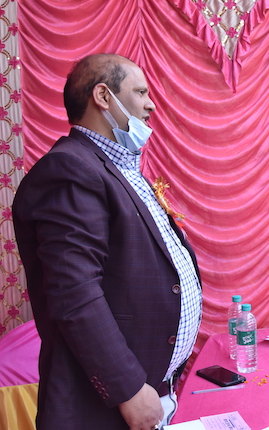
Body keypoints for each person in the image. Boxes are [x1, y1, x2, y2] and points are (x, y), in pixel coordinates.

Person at [13, 54, 202, 430]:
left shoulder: (117, 167)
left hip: (152, 392)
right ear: (103, 96)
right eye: (141, 92)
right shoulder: (70, 169)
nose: (151, 105)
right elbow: (74, 293)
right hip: (107, 407)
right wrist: (128, 390)